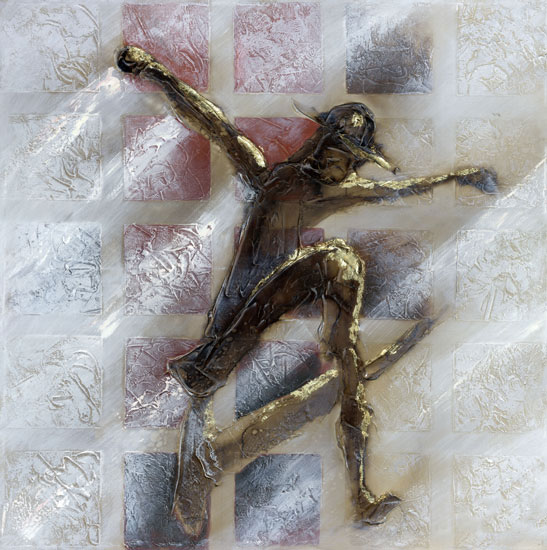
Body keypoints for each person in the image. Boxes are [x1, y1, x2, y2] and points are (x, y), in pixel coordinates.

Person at [117, 45, 497, 538]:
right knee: (206, 403)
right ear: (324, 146)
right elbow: (214, 124)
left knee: (341, 275)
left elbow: (400, 189)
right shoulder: (270, 177)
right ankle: (196, 465)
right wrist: (157, 72)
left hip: (271, 298)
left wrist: (460, 177)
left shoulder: (335, 192)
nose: (348, 171)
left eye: (354, 163)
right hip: (235, 312)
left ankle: (359, 490)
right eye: (345, 158)